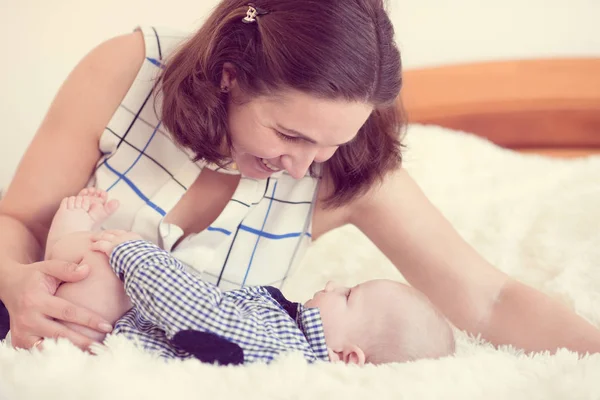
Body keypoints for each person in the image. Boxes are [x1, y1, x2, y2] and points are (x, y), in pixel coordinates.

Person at [1, 0, 600, 354]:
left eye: (331, 141)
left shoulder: (347, 166)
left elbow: (492, 298)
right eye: (289, 135)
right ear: (230, 77)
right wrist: (14, 285)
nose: (306, 164)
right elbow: (18, 220)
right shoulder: (130, 69)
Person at [42, 188, 456, 364]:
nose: (332, 285)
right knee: (97, 272)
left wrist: (135, 254)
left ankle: (70, 231)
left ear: (347, 357)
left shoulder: (284, 349)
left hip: (111, 332)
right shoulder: (288, 332)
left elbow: (200, 315)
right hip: (126, 323)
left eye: (348, 296)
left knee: (98, 265)